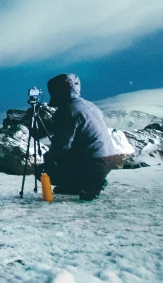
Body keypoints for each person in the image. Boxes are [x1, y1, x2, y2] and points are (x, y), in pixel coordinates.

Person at [42, 73, 122, 201]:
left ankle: (89, 184)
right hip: (109, 159)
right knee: (66, 158)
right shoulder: (89, 105)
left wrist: (48, 158)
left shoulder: (67, 110)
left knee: (44, 169)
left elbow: (62, 145)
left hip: (94, 163)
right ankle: (82, 184)